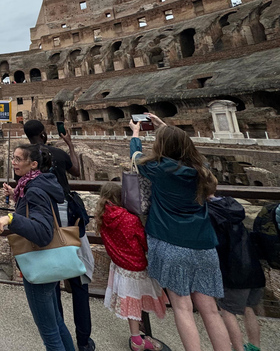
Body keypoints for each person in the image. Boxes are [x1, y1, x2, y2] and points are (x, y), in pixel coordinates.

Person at [129, 114, 230, 351]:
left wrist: (135, 133)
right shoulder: (201, 170)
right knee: (211, 311)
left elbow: (135, 157)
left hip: (170, 243)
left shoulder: (158, 168)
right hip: (204, 245)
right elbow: (184, 147)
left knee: (183, 309)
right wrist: (166, 127)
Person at [0, 144, 74, 351]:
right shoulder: (37, 183)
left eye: (19, 159)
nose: (13, 162)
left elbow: (43, 233)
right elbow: (35, 209)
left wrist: (10, 218)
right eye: (13, 157)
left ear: (33, 164)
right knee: (56, 323)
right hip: (49, 264)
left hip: (39, 267)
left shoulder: (35, 189)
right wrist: (17, 195)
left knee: (49, 333)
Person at [23, 120, 94, 351]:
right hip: (70, 226)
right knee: (79, 284)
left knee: (51, 287)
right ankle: (83, 342)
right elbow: (76, 170)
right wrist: (69, 143)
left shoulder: (25, 159)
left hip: (46, 230)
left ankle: (62, 337)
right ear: (43, 133)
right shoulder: (57, 153)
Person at [94, 182, 170, 351]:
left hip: (120, 267)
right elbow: (144, 242)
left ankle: (139, 329)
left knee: (132, 301)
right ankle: (137, 340)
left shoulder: (102, 217)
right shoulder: (130, 219)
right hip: (135, 266)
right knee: (135, 301)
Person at [207, 195, 265, 351]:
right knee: (248, 308)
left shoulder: (210, 213)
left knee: (227, 311)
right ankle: (254, 347)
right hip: (252, 267)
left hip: (233, 272)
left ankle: (238, 348)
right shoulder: (230, 204)